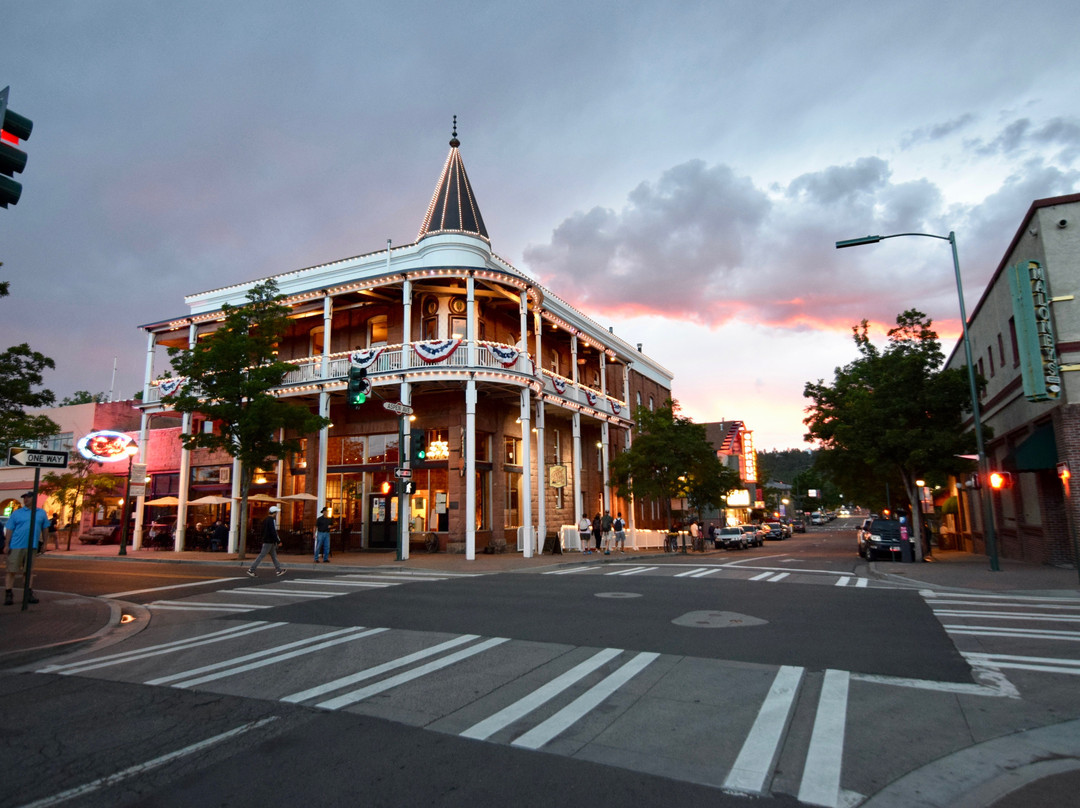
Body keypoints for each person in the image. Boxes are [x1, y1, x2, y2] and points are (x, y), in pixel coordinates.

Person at [4, 492, 49, 605]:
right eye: (24, 498)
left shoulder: (41, 513)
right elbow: (9, 529)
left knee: (28, 571)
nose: (26, 500)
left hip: (32, 546)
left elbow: (45, 529)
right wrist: (6, 544)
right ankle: (9, 593)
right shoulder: (17, 513)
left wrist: (45, 543)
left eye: (28, 497)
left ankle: (28, 593)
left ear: (34, 498)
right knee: (11, 570)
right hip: (16, 546)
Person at [247, 506, 286, 577]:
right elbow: (273, 531)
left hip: (267, 540)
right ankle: (251, 569)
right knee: (262, 555)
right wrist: (278, 541)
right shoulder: (272, 520)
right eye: (276, 512)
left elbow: (262, 530)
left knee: (273, 556)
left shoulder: (265, 520)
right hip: (269, 541)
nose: (277, 513)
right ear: (274, 513)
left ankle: (278, 570)